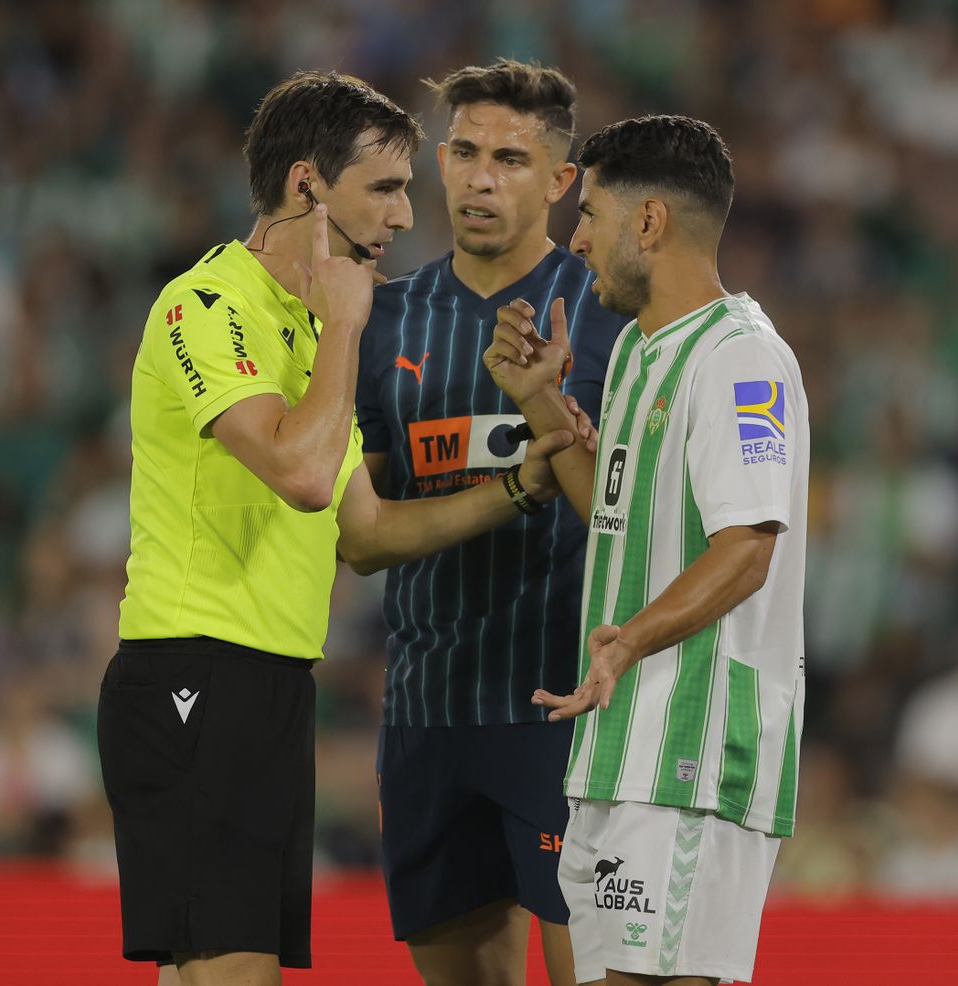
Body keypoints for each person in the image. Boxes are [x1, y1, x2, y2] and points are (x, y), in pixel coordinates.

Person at [103, 70, 577, 986]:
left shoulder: (304, 326)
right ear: (307, 187)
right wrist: (350, 326)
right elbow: (305, 475)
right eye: (386, 189)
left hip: (271, 682)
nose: (408, 215)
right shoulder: (209, 305)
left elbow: (366, 531)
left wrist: (518, 490)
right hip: (192, 670)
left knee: (205, 973)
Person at [483, 115, 809, 986]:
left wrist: (626, 641)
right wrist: (545, 406)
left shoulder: (742, 361)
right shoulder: (634, 350)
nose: (575, 237)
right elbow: (618, 517)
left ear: (651, 223)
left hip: (694, 748)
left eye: (590, 213)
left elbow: (746, 549)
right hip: (619, 746)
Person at [355, 59, 626, 986]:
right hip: (429, 713)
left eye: (510, 159)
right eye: (465, 151)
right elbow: (357, 538)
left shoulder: (611, 315)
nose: (479, 176)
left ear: (560, 183)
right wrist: (518, 486)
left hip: (563, 712)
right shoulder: (387, 319)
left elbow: (635, 525)